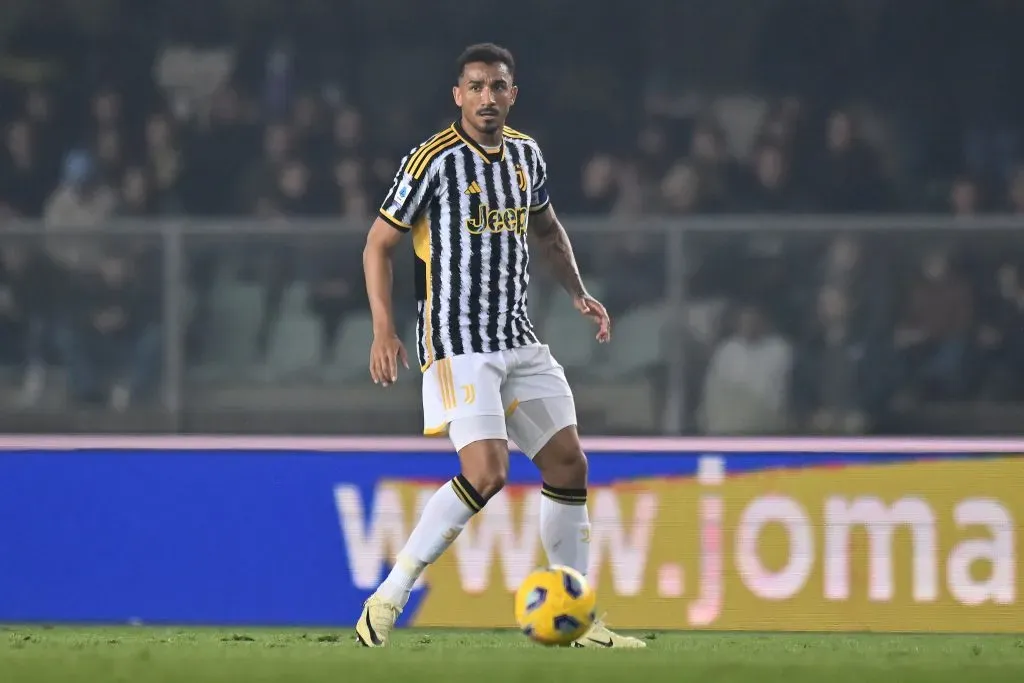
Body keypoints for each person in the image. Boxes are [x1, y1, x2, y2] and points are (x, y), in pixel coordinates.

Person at [358, 43, 645, 649]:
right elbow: (378, 244)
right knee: (486, 472)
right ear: (458, 96)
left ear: (513, 95)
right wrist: (384, 328)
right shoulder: (432, 161)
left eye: (499, 86)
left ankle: (580, 617)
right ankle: (389, 596)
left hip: (517, 338)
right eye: (477, 86)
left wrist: (577, 291)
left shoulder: (526, 156)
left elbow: (546, 227)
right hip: (457, 341)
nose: (488, 97)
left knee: (569, 464)